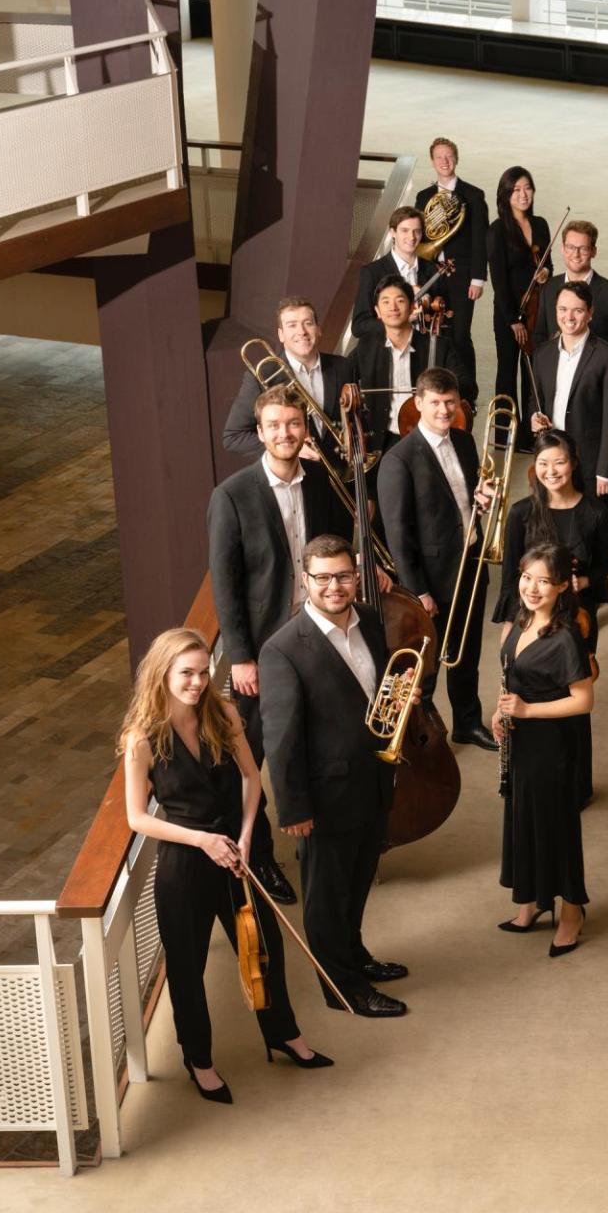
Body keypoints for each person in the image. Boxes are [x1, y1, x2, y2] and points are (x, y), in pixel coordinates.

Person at [120, 628, 330, 1103]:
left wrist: (246, 837)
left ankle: (282, 1034)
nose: (196, 682)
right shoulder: (142, 740)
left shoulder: (225, 714)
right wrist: (202, 840)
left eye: (201, 672)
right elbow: (136, 818)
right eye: (185, 674)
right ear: (163, 674)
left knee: (264, 948)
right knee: (188, 968)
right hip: (184, 865)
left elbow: (253, 780)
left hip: (235, 854)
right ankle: (199, 1059)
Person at [206, 384, 355, 906]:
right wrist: (243, 657)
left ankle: (327, 837)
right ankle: (263, 857)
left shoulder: (320, 483)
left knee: (325, 737)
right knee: (253, 755)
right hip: (264, 649)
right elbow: (225, 584)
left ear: (303, 429)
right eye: (274, 425)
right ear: (260, 431)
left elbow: (342, 548)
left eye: (293, 424)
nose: (285, 433)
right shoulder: (232, 495)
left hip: (318, 635)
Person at [258, 537, 410, 1018]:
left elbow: (373, 689)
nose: (334, 586)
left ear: (355, 576)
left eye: (343, 575)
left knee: (359, 877)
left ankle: (354, 954)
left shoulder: (369, 620)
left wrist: (401, 692)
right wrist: (294, 808)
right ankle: (343, 988)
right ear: (305, 582)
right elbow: (280, 741)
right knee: (326, 895)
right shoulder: (282, 650)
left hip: (372, 780)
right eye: (322, 578)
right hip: (325, 796)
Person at [376, 368, 501, 750]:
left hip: (470, 564)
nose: (444, 410)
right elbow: (398, 534)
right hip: (431, 579)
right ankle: (423, 736)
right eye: (435, 403)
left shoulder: (463, 441)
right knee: (425, 666)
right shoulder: (399, 459)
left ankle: (466, 722)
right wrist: (418, 591)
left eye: (450, 402)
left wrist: (480, 503)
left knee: (468, 654)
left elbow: (462, 502)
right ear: (418, 404)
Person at [493, 428, 608, 801]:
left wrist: (583, 584)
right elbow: (511, 577)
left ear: (574, 463)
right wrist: (509, 627)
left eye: (559, 462)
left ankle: (575, 785)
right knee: (525, 692)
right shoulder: (521, 514)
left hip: (576, 620)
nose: (551, 470)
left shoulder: (596, 512)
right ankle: (530, 781)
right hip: (528, 620)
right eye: (543, 463)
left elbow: (604, 567)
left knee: (573, 698)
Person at [493, 543, 596, 954]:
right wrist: (499, 712)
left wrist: (527, 710)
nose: (532, 588)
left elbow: (583, 701)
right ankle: (534, 900)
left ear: (560, 588)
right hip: (520, 740)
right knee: (523, 819)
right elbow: (509, 676)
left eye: (545, 581)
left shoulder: (566, 636)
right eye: (526, 577)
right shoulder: (520, 619)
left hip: (551, 744)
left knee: (554, 825)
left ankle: (572, 912)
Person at [529, 282, 608, 526]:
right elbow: (536, 399)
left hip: (590, 461)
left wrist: (605, 470)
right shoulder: (543, 353)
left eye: (577, 310)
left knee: (595, 534)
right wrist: (534, 416)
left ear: (590, 313)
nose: (568, 317)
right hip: (554, 456)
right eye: (562, 309)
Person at [222, 295, 347, 467]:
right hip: (294, 476)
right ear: (281, 335)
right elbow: (234, 437)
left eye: (308, 323)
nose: (301, 331)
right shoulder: (262, 375)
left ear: (318, 329)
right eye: (292, 325)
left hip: (344, 472)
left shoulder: (343, 366)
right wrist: (288, 448)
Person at [414, 136, 489, 379]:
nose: (444, 162)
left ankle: (467, 391)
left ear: (456, 158)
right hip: (432, 273)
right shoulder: (424, 197)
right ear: (432, 161)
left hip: (462, 274)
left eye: (449, 156)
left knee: (460, 334)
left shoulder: (474, 195)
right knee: (432, 332)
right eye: (439, 157)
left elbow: (480, 239)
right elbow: (422, 238)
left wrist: (478, 279)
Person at [340, 275, 436, 455]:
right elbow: (341, 378)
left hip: (427, 434)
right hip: (383, 441)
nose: (392, 307)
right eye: (385, 302)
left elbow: (464, 385)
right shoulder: (366, 348)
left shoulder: (437, 346)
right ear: (377, 311)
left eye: (400, 301)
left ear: (413, 307)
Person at [486, 166, 551, 410]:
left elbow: (548, 264)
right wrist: (513, 320)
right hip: (508, 313)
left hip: (537, 310)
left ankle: (529, 433)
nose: (523, 194)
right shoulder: (497, 230)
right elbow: (499, 280)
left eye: (527, 188)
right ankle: (505, 433)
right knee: (507, 371)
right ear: (505, 194)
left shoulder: (541, 224)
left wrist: (545, 272)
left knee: (533, 372)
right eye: (516, 190)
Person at [531, 220, 608, 361]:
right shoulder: (549, 287)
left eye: (583, 248)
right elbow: (539, 336)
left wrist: (593, 357)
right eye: (570, 247)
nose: (576, 254)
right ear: (563, 249)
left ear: (593, 252)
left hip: (595, 379)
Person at [352, 207, 439, 340]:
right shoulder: (372, 272)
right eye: (405, 230)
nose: (412, 237)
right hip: (387, 353)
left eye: (417, 231)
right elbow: (359, 326)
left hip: (425, 351)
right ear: (392, 232)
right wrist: (398, 322)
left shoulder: (434, 270)